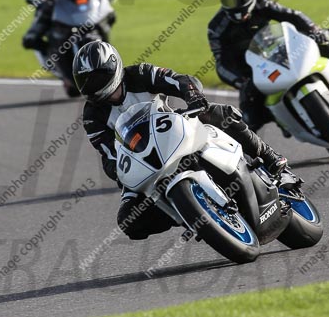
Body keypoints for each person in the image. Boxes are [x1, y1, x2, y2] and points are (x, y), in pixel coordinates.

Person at [74, 40, 289, 241]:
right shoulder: (92, 115)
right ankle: (187, 212)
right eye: (86, 81)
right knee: (129, 221)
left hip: (172, 129)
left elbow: (178, 80)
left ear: (114, 67)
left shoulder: (140, 73)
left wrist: (192, 96)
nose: (93, 86)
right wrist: (119, 172)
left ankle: (268, 155)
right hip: (141, 158)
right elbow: (108, 154)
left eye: (97, 78)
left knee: (216, 113)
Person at [207, 0, 329, 132]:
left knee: (326, 38)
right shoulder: (216, 27)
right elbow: (221, 63)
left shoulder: (262, 4)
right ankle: (258, 151)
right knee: (249, 119)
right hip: (251, 73)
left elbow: (293, 16)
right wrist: (241, 81)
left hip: (276, 54)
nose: (235, 4)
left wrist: (314, 29)